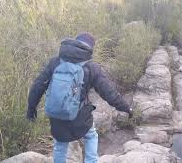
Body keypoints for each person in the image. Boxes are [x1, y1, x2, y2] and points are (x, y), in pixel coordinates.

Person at [26, 32, 133, 163]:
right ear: (90, 48)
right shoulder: (91, 67)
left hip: (57, 115)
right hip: (80, 117)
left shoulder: (55, 62)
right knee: (91, 136)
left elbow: (38, 86)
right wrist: (126, 108)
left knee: (60, 145)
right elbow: (109, 93)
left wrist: (31, 107)